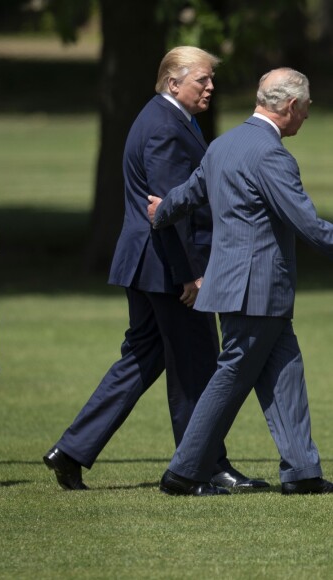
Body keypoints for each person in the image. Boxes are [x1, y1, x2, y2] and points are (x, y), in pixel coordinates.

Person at [43, 46, 267, 490]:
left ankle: (71, 450)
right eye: (202, 80)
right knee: (196, 364)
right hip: (166, 267)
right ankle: (202, 467)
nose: (210, 87)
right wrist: (189, 275)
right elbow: (165, 210)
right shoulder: (165, 127)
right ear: (173, 82)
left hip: (147, 265)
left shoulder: (163, 118)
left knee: (142, 360)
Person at [149, 67, 333, 496]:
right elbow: (306, 223)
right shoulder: (271, 154)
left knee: (285, 372)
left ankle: (302, 473)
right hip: (256, 290)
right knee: (231, 377)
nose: (305, 118)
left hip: (245, 288)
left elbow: (190, 192)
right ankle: (183, 472)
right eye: (305, 110)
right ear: (290, 106)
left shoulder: (224, 144)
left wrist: (162, 212)